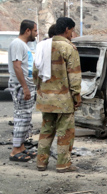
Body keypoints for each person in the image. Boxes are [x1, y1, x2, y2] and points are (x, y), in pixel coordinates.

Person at [34, 17, 82, 173]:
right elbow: (74, 76)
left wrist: (41, 90)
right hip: (63, 100)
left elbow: (35, 73)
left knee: (46, 131)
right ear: (67, 29)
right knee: (65, 132)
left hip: (45, 98)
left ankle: (41, 163)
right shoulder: (68, 48)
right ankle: (63, 164)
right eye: (72, 31)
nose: (72, 35)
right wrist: (77, 96)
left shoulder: (42, 46)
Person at [8, 20, 38, 162]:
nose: (36, 34)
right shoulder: (17, 44)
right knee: (21, 117)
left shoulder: (23, 45)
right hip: (21, 86)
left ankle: (21, 147)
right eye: (35, 31)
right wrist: (25, 87)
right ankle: (15, 150)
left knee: (26, 118)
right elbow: (17, 67)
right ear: (28, 30)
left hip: (27, 85)